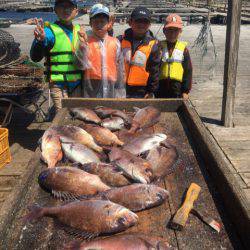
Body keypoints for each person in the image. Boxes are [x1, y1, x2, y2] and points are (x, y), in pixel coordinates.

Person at [30, 0, 82, 113]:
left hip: (78, 83)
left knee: (77, 115)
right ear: (55, 10)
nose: (66, 9)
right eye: (61, 6)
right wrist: (40, 41)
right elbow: (35, 57)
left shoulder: (80, 30)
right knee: (62, 115)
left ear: (76, 11)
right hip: (59, 84)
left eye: (70, 7)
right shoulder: (49, 31)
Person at [75, 3, 125, 98]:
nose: (99, 25)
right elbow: (79, 65)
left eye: (102, 22)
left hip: (111, 86)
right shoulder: (85, 41)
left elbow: (120, 70)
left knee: (109, 111)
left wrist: (121, 93)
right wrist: (82, 45)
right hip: (91, 88)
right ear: (90, 23)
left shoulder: (116, 42)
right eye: (96, 22)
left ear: (108, 23)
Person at [118, 6, 161, 98]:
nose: (141, 24)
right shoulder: (120, 40)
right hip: (120, 88)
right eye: (138, 21)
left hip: (141, 91)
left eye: (145, 21)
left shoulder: (153, 45)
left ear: (149, 24)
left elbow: (154, 71)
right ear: (130, 22)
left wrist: (151, 91)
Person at [156, 14, 192, 99]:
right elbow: (153, 69)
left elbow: (188, 71)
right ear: (164, 31)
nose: (172, 33)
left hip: (177, 89)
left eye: (176, 30)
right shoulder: (158, 47)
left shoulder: (184, 50)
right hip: (160, 88)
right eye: (170, 30)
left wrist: (185, 91)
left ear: (180, 32)